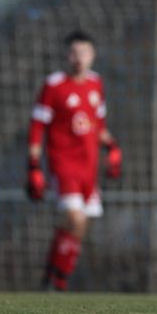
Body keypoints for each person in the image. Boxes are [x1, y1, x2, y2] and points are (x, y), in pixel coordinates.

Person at [27, 31, 122, 291]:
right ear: (65, 55)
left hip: (88, 168)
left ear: (92, 55)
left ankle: (52, 274)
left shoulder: (96, 84)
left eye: (83, 52)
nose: (78, 58)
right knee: (76, 220)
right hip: (63, 164)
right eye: (73, 52)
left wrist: (112, 148)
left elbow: (98, 126)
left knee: (78, 227)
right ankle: (59, 282)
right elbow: (37, 127)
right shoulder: (54, 85)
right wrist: (33, 166)